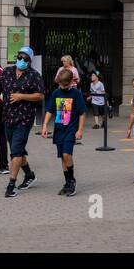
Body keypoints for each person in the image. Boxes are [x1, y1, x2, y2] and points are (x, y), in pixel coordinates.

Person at [0, 46, 45, 198]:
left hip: (24, 119)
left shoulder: (34, 76)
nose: (21, 60)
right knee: (17, 150)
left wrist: (22, 96)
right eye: (20, 57)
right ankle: (29, 175)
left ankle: (11, 186)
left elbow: (40, 96)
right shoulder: (6, 72)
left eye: (25, 59)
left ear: (30, 61)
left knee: (15, 153)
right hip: (8, 118)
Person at [41, 67, 86, 196]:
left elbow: (82, 113)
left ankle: (72, 181)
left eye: (65, 84)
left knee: (67, 155)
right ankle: (67, 182)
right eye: (61, 84)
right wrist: (44, 125)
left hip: (70, 129)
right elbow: (50, 110)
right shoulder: (56, 93)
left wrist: (80, 130)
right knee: (62, 157)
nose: (63, 86)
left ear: (72, 81)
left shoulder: (76, 94)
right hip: (59, 129)